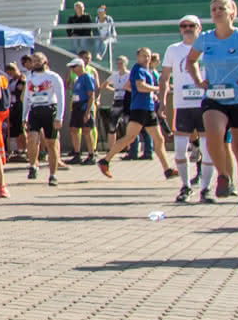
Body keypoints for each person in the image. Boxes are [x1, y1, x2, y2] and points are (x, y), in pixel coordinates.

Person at [185, 0, 238, 215]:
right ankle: (223, 175)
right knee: (213, 134)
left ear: (232, 12)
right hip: (214, 97)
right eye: (213, 9)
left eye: (221, 8)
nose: (217, 12)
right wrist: (198, 80)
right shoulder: (205, 38)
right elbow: (191, 60)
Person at [160, 14, 219, 203]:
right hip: (182, 105)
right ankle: (185, 186)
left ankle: (206, 189)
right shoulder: (173, 49)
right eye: (183, 26)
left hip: (205, 105)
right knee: (179, 150)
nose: (187, 29)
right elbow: (164, 77)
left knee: (207, 150)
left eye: (191, 25)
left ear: (199, 28)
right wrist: (162, 101)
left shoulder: (208, 47)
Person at [99, 48, 168, 179]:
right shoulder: (138, 69)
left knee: (159, 139)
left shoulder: (145, 70)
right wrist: (157, 88)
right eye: (143, 56)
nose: (146, 58)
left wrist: (150, 93)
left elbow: (129, 86)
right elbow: (140, 86)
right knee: (129, 138)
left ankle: (167, 169)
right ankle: (105, 160)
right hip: (140, 109)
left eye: (148, 56)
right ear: (138, 57)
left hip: (148, 108)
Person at [21, 53, 68, 186]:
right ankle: (33, 166)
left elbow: (61, 98)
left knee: (51, 143)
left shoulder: (53, 77)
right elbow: (27, 98)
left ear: (45, 61)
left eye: (39, 60)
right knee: (32, 139)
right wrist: (24, 116)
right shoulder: (30, 77)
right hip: (35, 110)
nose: (36, 62)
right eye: (34, 60)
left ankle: (53, 175)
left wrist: (59, 117)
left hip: (50, 109)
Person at [67, 60, 100, 166]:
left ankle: (91, 155)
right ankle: (77, 154)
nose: (72, 69)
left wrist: (87, 112)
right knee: (74, 129)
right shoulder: (77, 79)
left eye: (74, 67)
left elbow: (91, 95)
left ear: (80, 66)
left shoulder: (87, 77)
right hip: (76, 106)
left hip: (84, 106)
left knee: (87, 130)